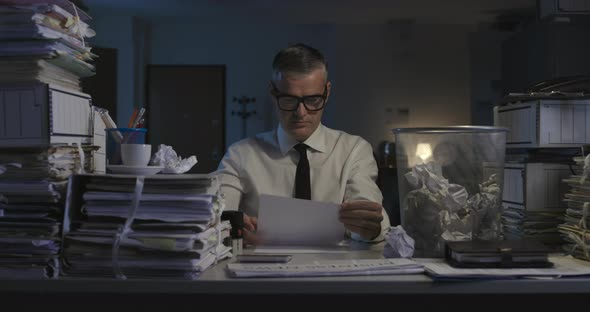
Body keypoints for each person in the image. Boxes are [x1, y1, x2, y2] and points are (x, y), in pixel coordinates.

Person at [215, 43, 390, 244]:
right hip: (262, 270)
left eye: (313, 100)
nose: (301, 113)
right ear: (273, 93)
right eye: (289, 100)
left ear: (327, 92)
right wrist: (228, 224)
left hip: (334, 270)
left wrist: (369, 227)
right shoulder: (240, 155)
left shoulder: (354, 150)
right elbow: (213, 215)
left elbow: (370, 213)